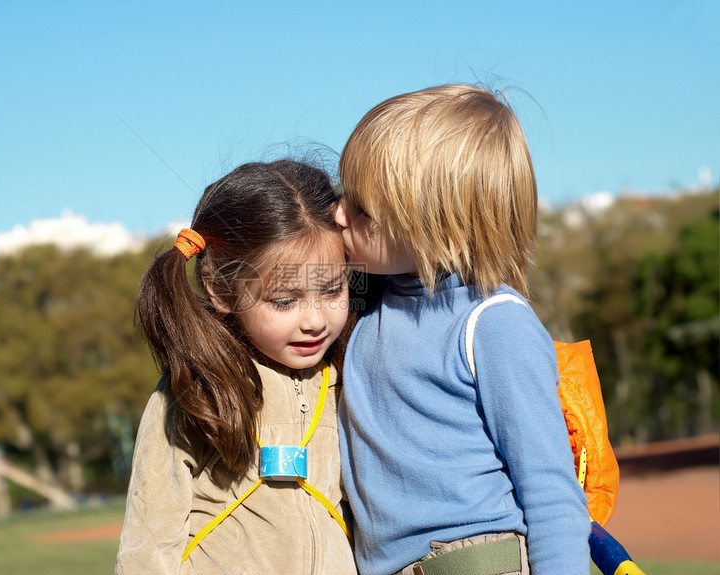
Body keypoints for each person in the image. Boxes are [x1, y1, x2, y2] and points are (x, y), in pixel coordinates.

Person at [333, 84, 591, 575]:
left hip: (475, 562)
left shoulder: (494, 323)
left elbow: (552, 494)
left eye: (361, 209)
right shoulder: (369, 305)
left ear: (441, 228)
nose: (338, 212)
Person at [115, 160, 358, 574]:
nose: (315, 319)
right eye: (284, 301)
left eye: (333, 289)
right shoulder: (197, 390)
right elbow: (148, 544)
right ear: (221, 290)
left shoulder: (351, 377)